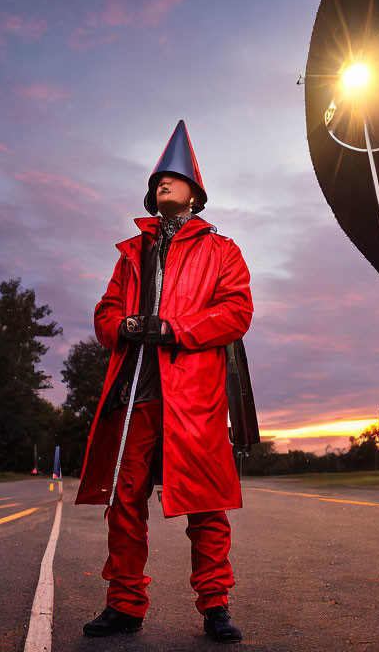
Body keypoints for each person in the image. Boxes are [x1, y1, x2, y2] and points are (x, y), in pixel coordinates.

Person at [75, 120, 253, 643]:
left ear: (194, 194)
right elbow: (106, 311)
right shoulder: (130, 252)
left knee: (206, 504)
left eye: (172, 179)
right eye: (157, 181)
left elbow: (237, 312)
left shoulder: (223, 251)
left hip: (193, 399)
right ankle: (125, 606)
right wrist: (124, 325)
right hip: (137, 395)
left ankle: (215, 606)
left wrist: (176, 328)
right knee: (125, 502)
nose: (162, 185)